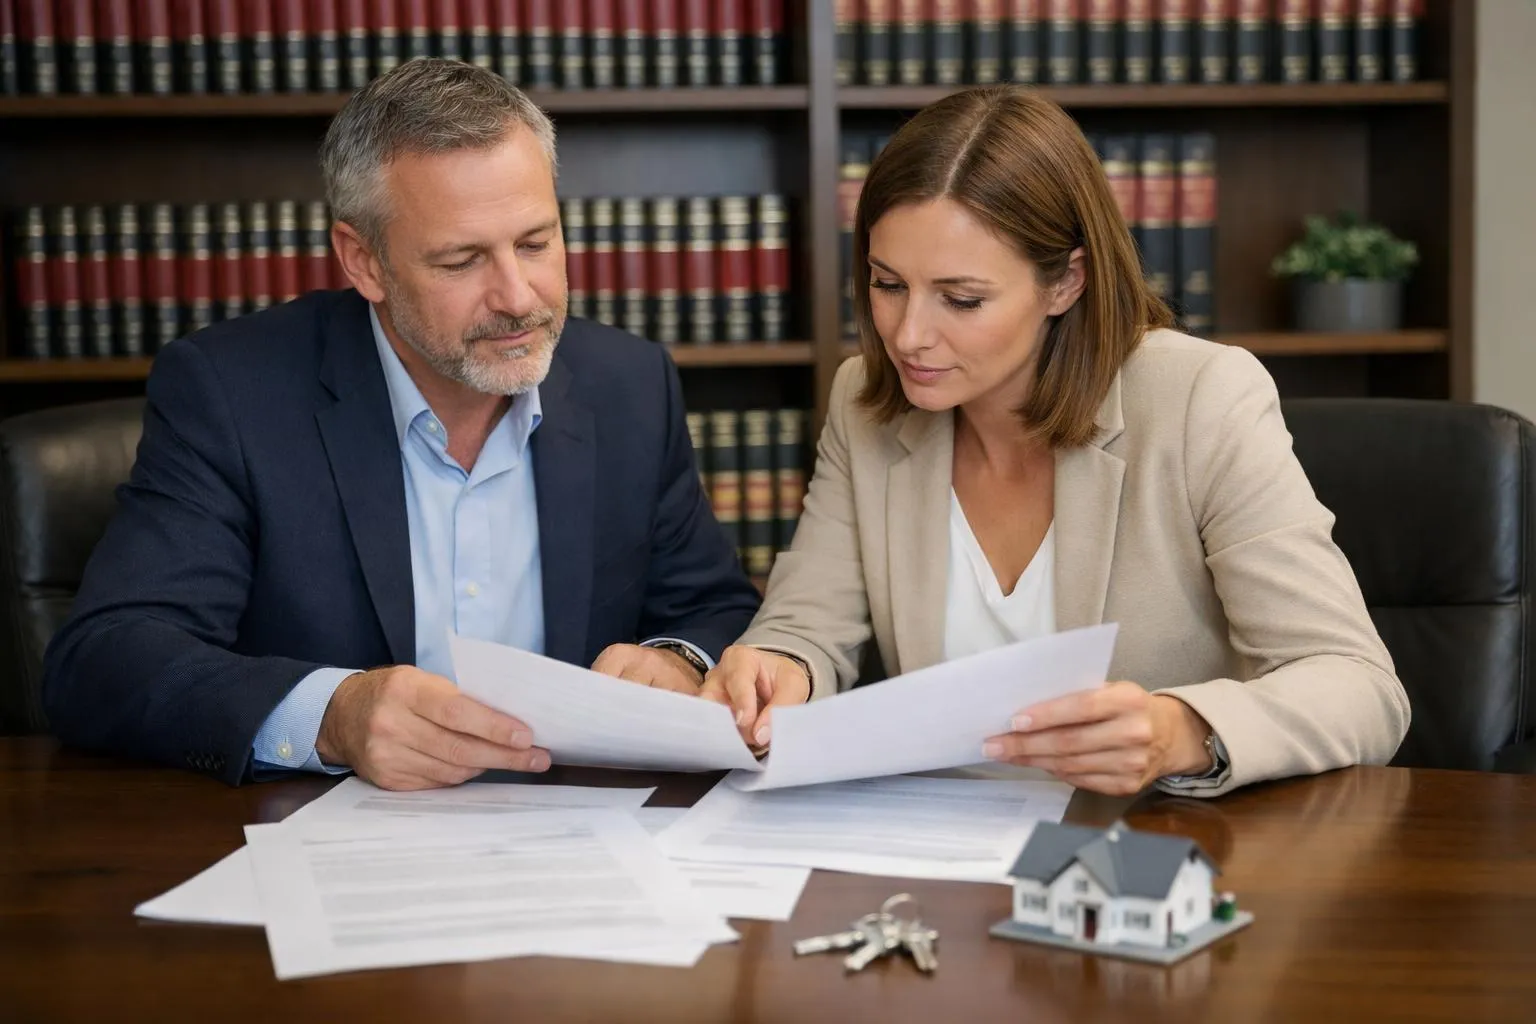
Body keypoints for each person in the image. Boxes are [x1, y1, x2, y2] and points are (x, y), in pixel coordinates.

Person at [42, 59, 760, 790]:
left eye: (536, 243)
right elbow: (104, 659)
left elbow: (715, 606)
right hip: (331, 851)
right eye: (461, 259)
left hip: (584, 845)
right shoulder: (231, 392)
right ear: (365, 262)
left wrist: (677, 658)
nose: (518, 297)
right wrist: (333, 715)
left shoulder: (629, 384)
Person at [700, 86, 1409, 797]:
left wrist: (1179, 732)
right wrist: (774, 669)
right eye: (888, 284)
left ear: (1066, 282)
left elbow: (1361, 687)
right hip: (939, 850)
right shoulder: (867, 403)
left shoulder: (1200, 398)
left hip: (1155, 851)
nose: (908, 334)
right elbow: (806, 628)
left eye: (962, 299)